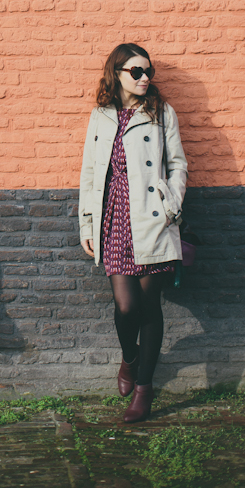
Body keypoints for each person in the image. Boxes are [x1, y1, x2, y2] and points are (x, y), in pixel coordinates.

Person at [79, 43, 187, 423]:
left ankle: (144, 389)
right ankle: (130, 358)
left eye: (148, 72)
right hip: (114, 217)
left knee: (149, 307)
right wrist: (87, 224)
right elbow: (90, 174)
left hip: (151, 217)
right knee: (126, 307)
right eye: (136, 72)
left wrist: (171, 204)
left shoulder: (161, 113)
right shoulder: (101, 115)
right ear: (118, 74)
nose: (145, 79)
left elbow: (177, 165)